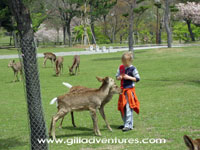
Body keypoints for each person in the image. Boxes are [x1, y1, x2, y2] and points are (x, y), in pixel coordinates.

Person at [116, 52, 140, 132]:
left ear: (130, 61)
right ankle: (126, 123)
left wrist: (128, 77)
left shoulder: (133, 69)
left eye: (125, 62)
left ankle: (129, 125)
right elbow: (117, 76)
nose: (124, 64)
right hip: (122, 91)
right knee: (122, 107)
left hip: (129, 91)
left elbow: (137, 79)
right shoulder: (121, 67)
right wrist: (119, 77)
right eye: (123, 62)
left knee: (128, 108)